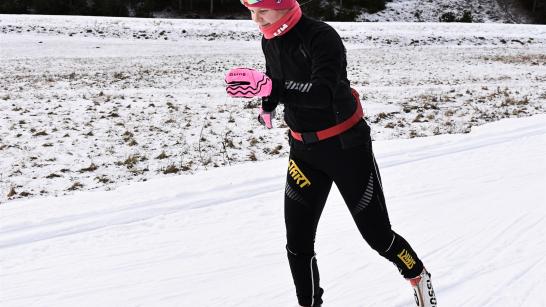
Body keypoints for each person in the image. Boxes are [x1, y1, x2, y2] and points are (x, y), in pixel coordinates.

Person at [225, 1, 438, 306]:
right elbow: (278, 80)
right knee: (297, 243)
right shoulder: (268, 39)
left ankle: (416, 273)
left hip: (345, 148)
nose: (255, 19)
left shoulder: (321, 36)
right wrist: (267, 104)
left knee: (377, 236)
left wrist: (273, 86)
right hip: (303, 151)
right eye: (251, 11)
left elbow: (322, 93)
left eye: (263, 11)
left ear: (284, 7)